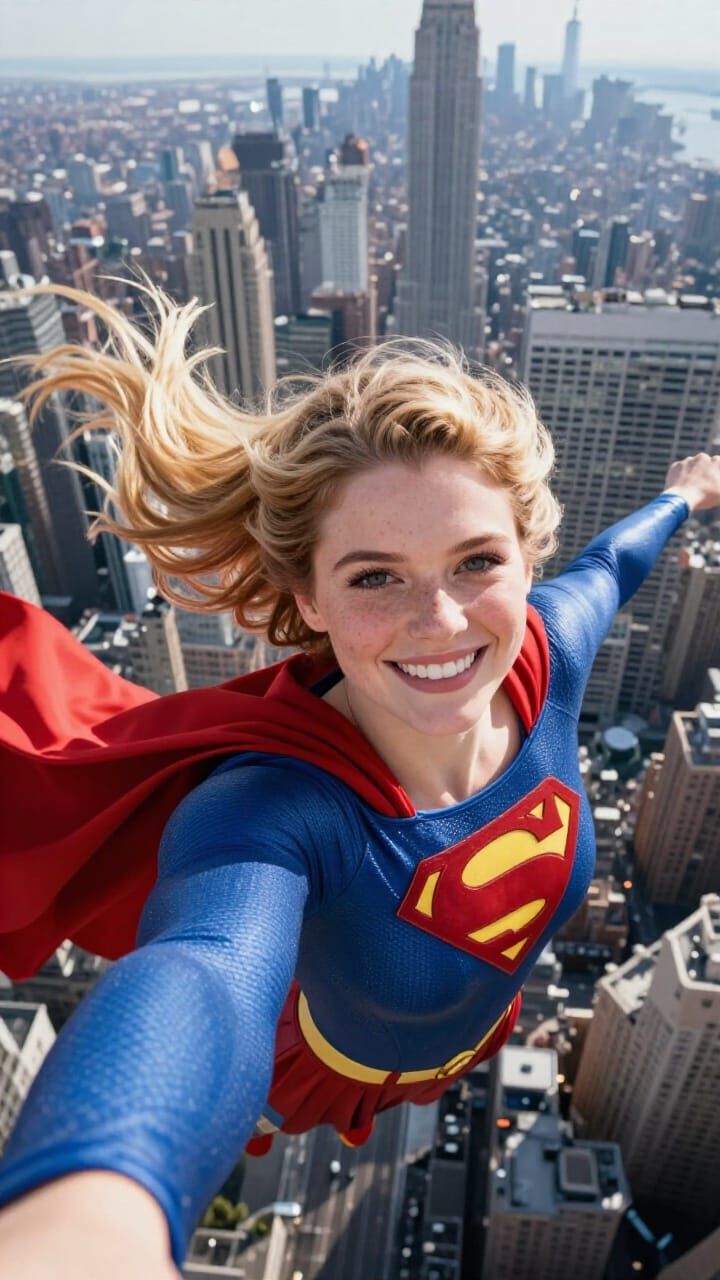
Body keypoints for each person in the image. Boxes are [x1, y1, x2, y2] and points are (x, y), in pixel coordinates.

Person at [0, 280, 718, 1280]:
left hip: (472, 1025)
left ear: (525, 558)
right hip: (342, 1058)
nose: (441, 619)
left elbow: (612, 561)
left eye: (477, 560)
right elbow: (200, 969)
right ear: (309, 599)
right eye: (376, 575)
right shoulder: (271, 807)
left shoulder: (549, 649)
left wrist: (688, 490)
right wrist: (92, 1200)